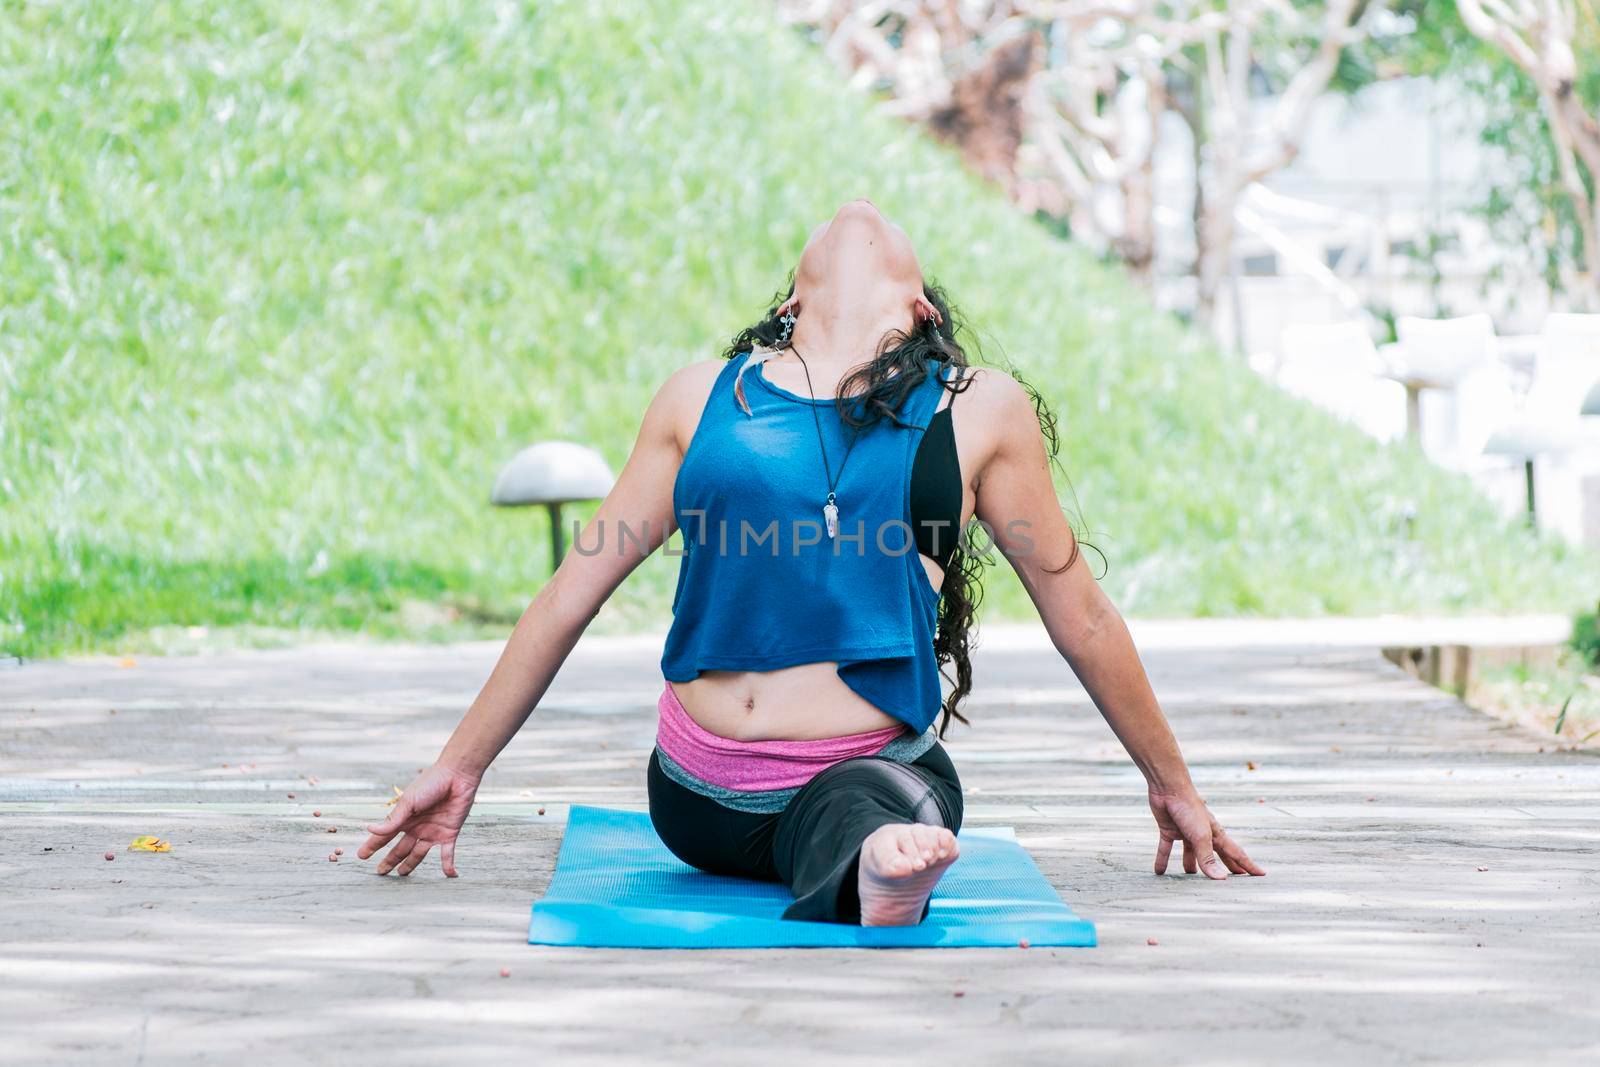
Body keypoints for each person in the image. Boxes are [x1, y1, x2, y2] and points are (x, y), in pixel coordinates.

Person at [358, 198, 1264, 925]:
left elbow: (1082, 613)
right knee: (870, 815)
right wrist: (460, 764)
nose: (858, 211)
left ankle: (873, 864)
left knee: (874, 807)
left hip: (867, 772)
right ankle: (868, 859)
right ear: (791, 301)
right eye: (832, 228)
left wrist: (1172, 783)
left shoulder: (978, 409)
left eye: (888, 238)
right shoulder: (701, 397)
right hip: (698, 792)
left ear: (923, 312)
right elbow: (571, 592)